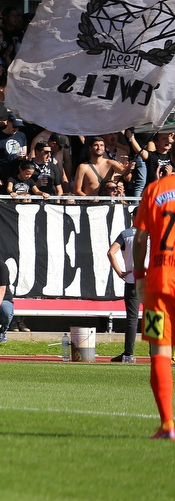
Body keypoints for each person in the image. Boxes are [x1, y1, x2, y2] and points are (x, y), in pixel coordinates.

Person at [133, 174, 175, 438]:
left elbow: (140, 239)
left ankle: (168, 424)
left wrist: (139, 277)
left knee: (159, 351)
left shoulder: (156, 189)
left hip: (159, 282)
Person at [107, 221, 139, 364]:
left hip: (132, 279)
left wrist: (120, 272)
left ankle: (128, 354)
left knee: (132, 319)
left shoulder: (126, 234)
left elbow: (111, 252)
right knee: (153, 317)